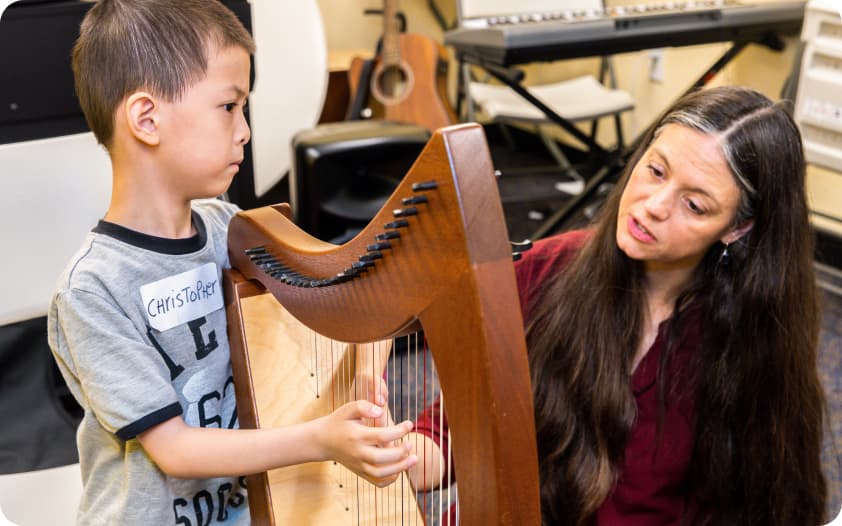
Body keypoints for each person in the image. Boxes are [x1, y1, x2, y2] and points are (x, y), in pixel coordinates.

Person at [47, 1, 416, 524]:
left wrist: (361, 372)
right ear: (146, 119)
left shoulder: (227, 227)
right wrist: (320, 439)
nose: (244, 130)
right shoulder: (94, 289)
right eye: (229, 107)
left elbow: (343, 297)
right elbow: (174, 449)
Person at [408, 85, 829, 525]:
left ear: (737, 228)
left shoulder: (752, 339)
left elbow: (767, 504)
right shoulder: (544, 270)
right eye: (656, 170)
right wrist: (398, 457)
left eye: (694, 204)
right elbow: (459, 429)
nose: (653, 206)